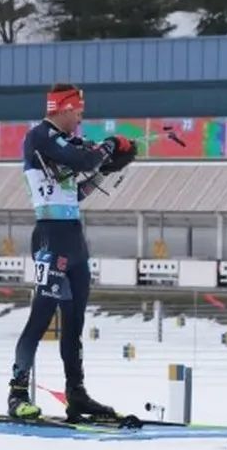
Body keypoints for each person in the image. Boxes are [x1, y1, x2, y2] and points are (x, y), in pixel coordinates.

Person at [7, 83, 136, 420]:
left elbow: (73, 193)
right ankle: (17, 392)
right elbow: (83, 158)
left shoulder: (63, 143)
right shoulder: (40, 137)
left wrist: (108, 169)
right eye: (78, 110)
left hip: (73, 239)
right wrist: (108, 148)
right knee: (41, 316)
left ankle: (76, 394)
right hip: (49, 238)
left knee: (74, 322)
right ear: (63, 108)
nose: (81, 116)